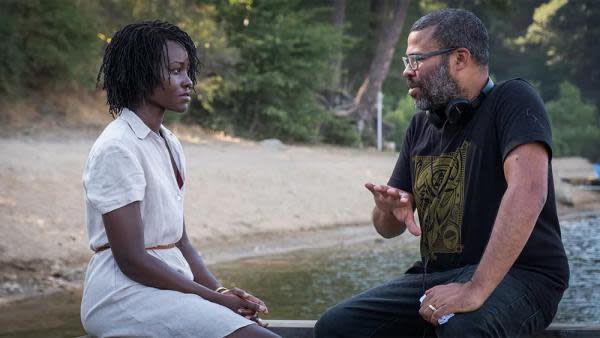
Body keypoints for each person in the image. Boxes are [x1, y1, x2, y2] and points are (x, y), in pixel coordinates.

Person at [315, 8, 569, 338]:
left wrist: (475, 288)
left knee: (461, 330)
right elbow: (387, 228)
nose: (408, 72)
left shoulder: (514, 100)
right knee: (335, 327)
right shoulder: (421, 125)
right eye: (406, 62)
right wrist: (388, 209)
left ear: (460, 59)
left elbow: (529, 191)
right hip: (436, 277)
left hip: (525, 276)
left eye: (417, 60)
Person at [80, 21, 280, 338]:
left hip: (166, 287)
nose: (188, 82)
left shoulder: (169, 142)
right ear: (142, 75)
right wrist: (215, 300)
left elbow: (180, 242)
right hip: (123, 295)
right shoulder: (117, 147)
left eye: (188, 71)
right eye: (176, 71)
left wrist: (224, 292)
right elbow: (132, 260)